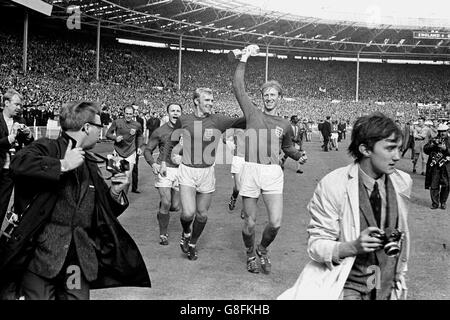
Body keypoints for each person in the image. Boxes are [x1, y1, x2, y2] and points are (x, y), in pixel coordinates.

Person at [0, 101, 150, 300]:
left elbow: (102, 214)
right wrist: (62, 165)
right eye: (99, 126)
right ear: (87, 127)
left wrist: (115, 192)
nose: (101, 131)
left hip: (76, 263)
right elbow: (19, 163)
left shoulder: (90, 163)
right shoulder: (48, 146)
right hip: (40, 259)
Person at [278, 112, 411, 300]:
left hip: (383, 284)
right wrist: (352, 247)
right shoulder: (333, 185)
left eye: (398, 148)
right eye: (390, 149)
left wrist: (399, 273)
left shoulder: (402, 182)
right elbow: (316, 245)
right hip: (347, 284)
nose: (397, 156)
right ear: (365, 149)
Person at [232, 44, 306, 274]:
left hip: (273, 173)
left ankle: (262, 248)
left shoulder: (285, 124)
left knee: (275, 223)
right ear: (261, 97)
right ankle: (249, 254)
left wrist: (298, 155)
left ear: (280, 97)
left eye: (273, 94)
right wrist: (244, 58)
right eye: (266, 95)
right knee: (250, 223)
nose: (269, 98)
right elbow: (237, 86)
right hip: (251, 170)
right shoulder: (252, 113)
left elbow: (287, 147)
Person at [160, 88, 245, 261]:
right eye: (207, 100)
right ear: (196, 101)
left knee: (202, 214)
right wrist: (164, 159)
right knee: (187, 214)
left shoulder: (218, 120)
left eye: (212, 101)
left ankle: (192, 243)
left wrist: (254, 111)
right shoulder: (184, 120)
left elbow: (241, 121)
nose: (211, 103)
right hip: (187, 171)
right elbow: (172, 140)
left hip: (207, 172)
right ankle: (186, 232)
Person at [144, 103, 183, 245]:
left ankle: (163, 210)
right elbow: (147, 150)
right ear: (167, 113)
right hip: (164, 169)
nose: (175, 113)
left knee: (175, 206)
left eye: (178, 111)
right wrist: (153, 164)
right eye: (172, 110)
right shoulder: (160, 131)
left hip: (181, 169)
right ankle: (163, 235)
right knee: (166, 202)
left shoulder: (186, 130)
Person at [0, 89, 34, 224]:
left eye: (21, 105)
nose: (19, 108)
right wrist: (8, 139)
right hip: (1, 168)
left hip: (15, 169)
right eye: (17, 104)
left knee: (13, 205)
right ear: (6, 103)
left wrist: (29, 135)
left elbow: (30, 145)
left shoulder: (21, 120)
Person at [106, 105, 144, 194]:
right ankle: (114, 197)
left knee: (126, 177)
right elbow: (108, 134)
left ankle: (123, 197)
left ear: (133, 114)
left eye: (130, 114)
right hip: (117, 152)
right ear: (123, 113)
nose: (128, 116)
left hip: (130, 153)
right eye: (126, 113)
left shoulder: (137, 125)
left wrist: (139, 147)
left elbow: (140, 136)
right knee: (116, 176)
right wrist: (115, 138)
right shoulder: (117, 122)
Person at [423, 123, 449, 210]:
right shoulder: (434, 140)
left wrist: (446, 149)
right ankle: (435, 203)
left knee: (446, 185)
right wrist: (433, 145)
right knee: (434, 185)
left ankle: (443, 202)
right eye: (441, 131)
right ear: (438, 132)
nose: (442, 133)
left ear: (447, 131)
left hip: (446, 166)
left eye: (444, 131)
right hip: (435, 166)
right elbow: (425, 150)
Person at [224, 127, 246, 218]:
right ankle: (234, 197)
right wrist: (228, 142)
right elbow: (224, 138)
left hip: (251, 160)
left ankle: (245, 209)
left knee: (247, 185)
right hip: (238, 159)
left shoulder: (256, 126)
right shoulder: (237, 128)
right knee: (238, 187)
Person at [132, 106, 145, 193]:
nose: (136, 112)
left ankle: (134, 187)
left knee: (135, 167)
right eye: (134, 110)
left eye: (137, 110)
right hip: (124, 146)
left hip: (135, 146)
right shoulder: (123, 120)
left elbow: (141, 133)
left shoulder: (140, 120)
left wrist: (139, 146)